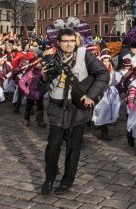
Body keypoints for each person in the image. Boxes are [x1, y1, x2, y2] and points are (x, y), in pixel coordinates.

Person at [40, 28, 109, 195]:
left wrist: (91, 95)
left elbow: (103, 74)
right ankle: (49, 177)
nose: (69, 44)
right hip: (56, 106)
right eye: (65, 41)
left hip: (77, 107)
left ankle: (67, 181)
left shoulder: (84, 55)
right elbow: (40, 87)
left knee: (74, 146)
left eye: (72, 41)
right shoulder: (50, 58)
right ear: (59, 42)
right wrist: (43, 77)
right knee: (53, 145)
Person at [93, 53, 121, 141]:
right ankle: (103, 130)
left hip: (111, 93)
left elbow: (115, 81)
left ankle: (104, 128)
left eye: (107, 61)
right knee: (102, 110)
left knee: (110, 111)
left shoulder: (112, 71)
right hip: (102, 92)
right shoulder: (98, 70)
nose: (106, 63)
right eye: (104, 61)